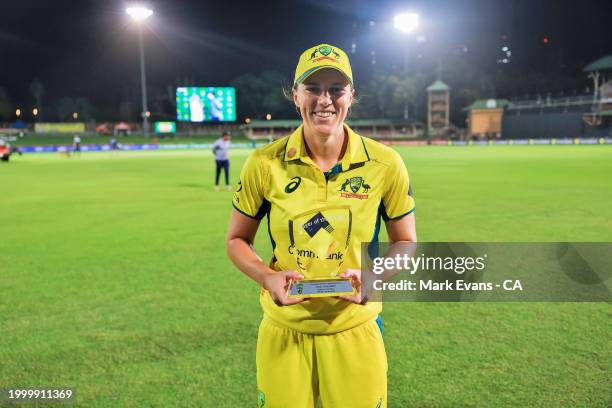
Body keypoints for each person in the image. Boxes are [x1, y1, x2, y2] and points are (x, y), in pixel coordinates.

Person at [226, 44, 417, 408]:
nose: (324, 100)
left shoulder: (385, 164)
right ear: (295, 94)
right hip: (285, 329)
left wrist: (375, 277)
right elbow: (236, 239)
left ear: (351, 95)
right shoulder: (264, 163)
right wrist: (266, 277)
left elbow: (405, 242)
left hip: (354, 329)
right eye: (313, 88)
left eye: (336, 89)